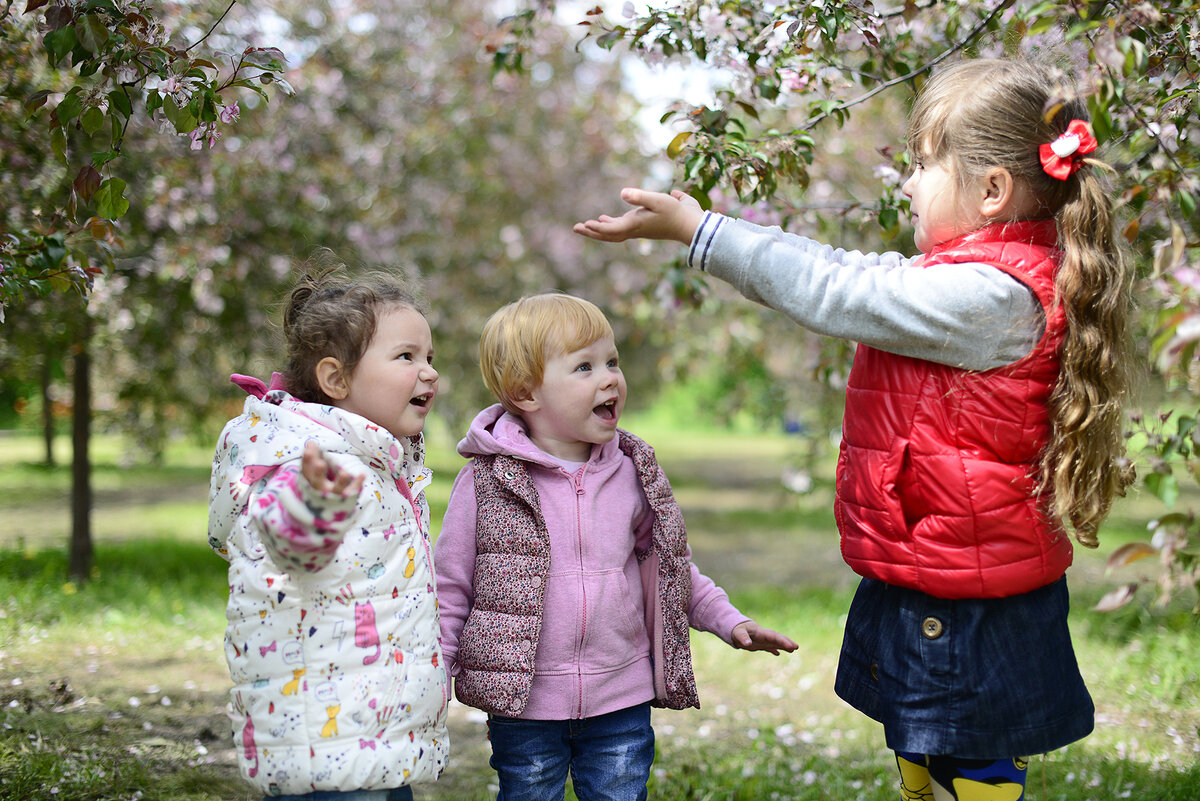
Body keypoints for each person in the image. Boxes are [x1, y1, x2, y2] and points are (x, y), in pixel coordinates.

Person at [574, 57, 1132, 801]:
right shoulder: (974, 277)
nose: (907, 183)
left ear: (993, 190)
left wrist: (699, 230)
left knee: (965, 763)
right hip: (939, 571)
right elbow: (849, 269)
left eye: (925, 164)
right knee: (924, 751)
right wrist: (706, 230)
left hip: (962, 599)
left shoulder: (989, 293)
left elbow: (842, 292)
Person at [434, 292, 798, 801]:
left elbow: (670, 569)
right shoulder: (485, 482)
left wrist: (729, 620)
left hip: (621, 694)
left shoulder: (631, 473)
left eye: (612, 362)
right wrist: (435, 672)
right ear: (526, 392)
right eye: (584, 367)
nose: (610, 377)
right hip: (526, 700)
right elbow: (451, 589)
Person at [207, 256, 449, 800]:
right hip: (324, 741)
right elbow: (290, 542)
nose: (429, 371)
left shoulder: (376, 460)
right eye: (406, 356)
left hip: (373, 732)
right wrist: (313, 506)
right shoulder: (304, 463)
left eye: (430, 356)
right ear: (336, 379)